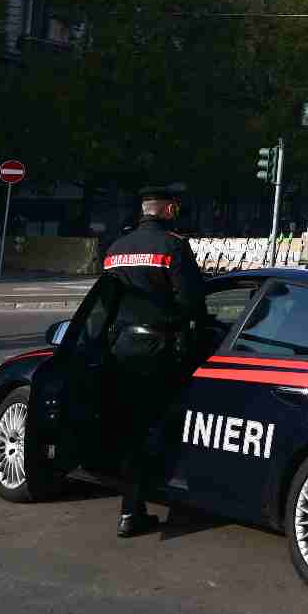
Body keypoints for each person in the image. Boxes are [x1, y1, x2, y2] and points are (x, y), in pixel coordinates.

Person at [102, 184, 206, 538]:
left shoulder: (116, 248)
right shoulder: (173, 246)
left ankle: (130, 510)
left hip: (120, 349)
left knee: (127, 427)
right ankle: (159, 495)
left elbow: (105, 303)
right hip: (160, 351)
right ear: (167, 211)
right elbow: (193, 304)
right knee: (156, 426)